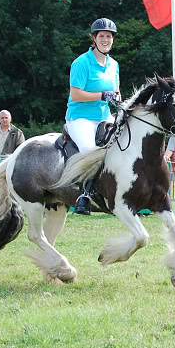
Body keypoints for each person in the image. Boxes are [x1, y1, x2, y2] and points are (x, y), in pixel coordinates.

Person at [64, 18, 121, 215]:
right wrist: (102, 95)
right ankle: (84, 196)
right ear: (94, 38)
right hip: (80, 117)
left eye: (109, 36)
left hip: (105, 116)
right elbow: (76, 94)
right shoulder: (81, 63)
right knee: (90, 151)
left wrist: (118, 101)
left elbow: (116, 92)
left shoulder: (114, 65)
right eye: (102, 36)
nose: (106, 39)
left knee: (124, 142)